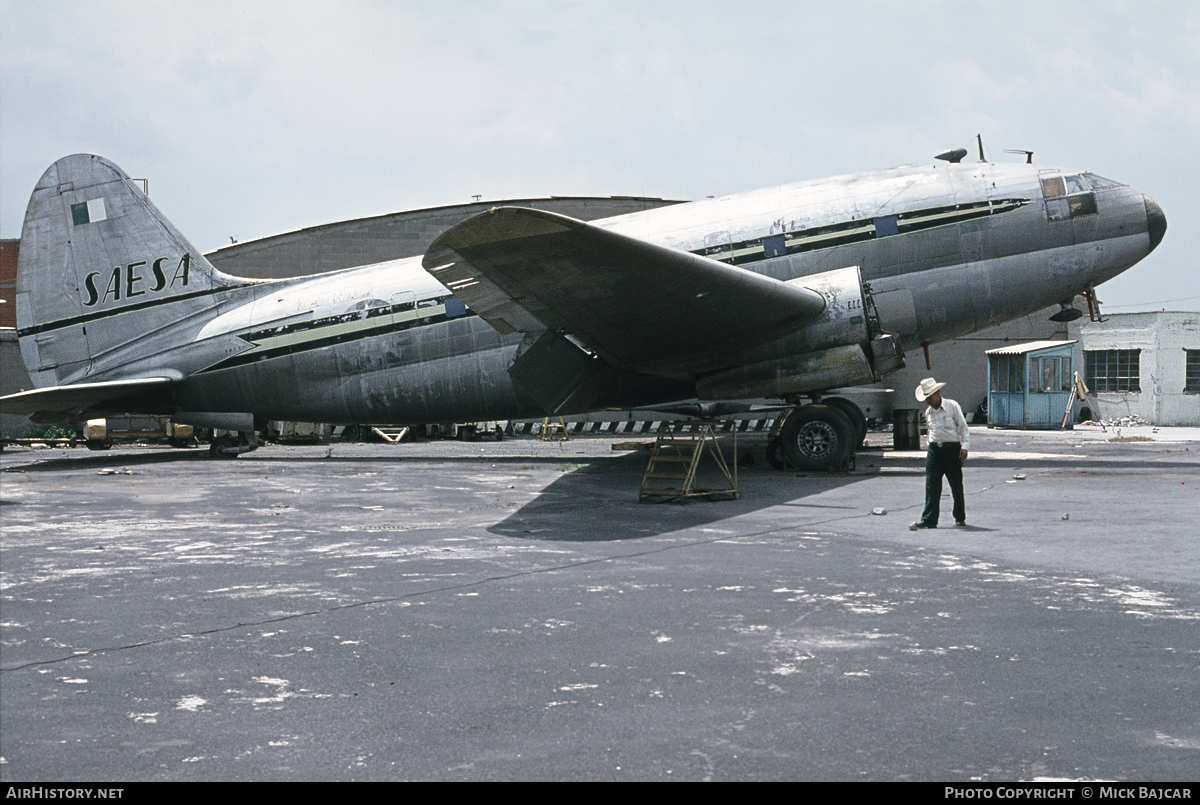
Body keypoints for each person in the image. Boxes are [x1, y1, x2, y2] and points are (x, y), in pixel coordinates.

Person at [910, 377, 970, 530]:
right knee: (932, 486)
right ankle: (929, 519)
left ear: (937, 393)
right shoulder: (928, 412)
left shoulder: (952, 406)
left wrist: (965, 447)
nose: (928, 400)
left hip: (952, 450)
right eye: (926, 398)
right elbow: (931, 431)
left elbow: (963, 428)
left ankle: (959, 516)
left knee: (956, 485)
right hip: (934, 451)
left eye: (930, 397)